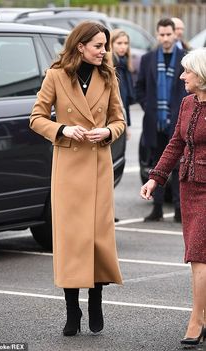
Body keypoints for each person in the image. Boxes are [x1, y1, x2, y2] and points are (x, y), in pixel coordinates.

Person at [29, 21, 125, 336]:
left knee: (97, 239)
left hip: (98, 165)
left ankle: (96, 299)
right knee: (71, 241)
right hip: (69, 167)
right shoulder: (55, 76)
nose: (104, 51)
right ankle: (73, 309)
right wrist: (63, 129)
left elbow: (119, 119)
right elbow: (36, 117)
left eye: (105, 45)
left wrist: (108, 131)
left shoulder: (108, 76)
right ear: (80, 46)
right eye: (98, 45)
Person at [140, 48, 206, 346]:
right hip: (189, 187)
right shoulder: (187, 103)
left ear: (202, 75)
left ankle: (197, 319)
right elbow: (176, 143)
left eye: (187, 72)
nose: (181, 76)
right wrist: (155, 178)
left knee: (198, 256)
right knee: (198, 256)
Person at [136, 18, 187, 222]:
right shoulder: (148, 58)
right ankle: (156, 208)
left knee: (178, 165)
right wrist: (147, 106)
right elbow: (139, 87)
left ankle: (178, 210)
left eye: (168, 34)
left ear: (175, 34)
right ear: (157, 35)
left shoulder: (184, 57)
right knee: (157, 164)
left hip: (177, 120)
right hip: (155, 121)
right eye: (162, 34)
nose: (165, 38)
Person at [110, 29, 135, 139]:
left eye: (126, 43)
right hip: (112, 119)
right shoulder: (111, 65)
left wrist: (126, 124)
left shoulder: (125, 64)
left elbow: (126, 101)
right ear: (111, 44)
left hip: (123, 115)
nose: (123, 47)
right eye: (119, 43)